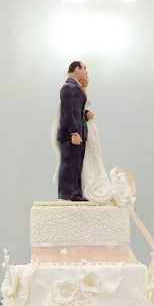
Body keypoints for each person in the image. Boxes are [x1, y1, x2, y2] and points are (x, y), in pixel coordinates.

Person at [56, 61, 92, 201]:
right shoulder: (68, 87)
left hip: (79, 134)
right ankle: (68, 194)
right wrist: (74, 132)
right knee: (69, 165)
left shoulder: (76, 88)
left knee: (77, 165)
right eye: (84, 68)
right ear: (77, 69)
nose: (86, 71)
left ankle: (76, 193)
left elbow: (76, 111)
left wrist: (86, 114)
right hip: (72, 135)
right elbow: (67, 112)